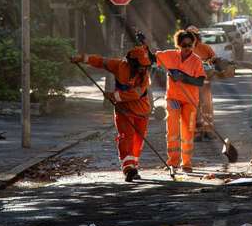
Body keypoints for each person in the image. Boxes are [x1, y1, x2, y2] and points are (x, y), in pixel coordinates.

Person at [71, 45, 152, 182]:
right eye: (140, 65)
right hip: (123, 110)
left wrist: (114, 96)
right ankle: (128, 168)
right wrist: (83, 58)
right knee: (126, 136)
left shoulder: (144, 76)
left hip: (141, 111)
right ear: (131, 63)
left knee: (138, 140)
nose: (143, 68)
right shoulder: (119, 65)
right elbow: (101, 61)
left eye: (145, 66)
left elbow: (136, 93)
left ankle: (133, 165)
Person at [155, 30, 206, 173]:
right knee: (172, 130)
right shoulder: (170, 56)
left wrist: (183, 77)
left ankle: (187, 163)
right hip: (173, 99)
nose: (187, 48)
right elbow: (153, 57)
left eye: (190, 45)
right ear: (179, 45)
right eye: (184, 45)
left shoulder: (196, 61)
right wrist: (144, 44)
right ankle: (173, 161)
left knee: (188, 132)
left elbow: (200, 81)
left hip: (190, 101)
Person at [186, 26, 216, 142]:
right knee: (193, 108)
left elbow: (214, 60)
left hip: (205, 82)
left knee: (207, 106)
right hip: (191, 83)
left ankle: (208, 130)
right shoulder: (184, 49)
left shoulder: (205, 48)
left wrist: (211, 64)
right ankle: (196, 132)